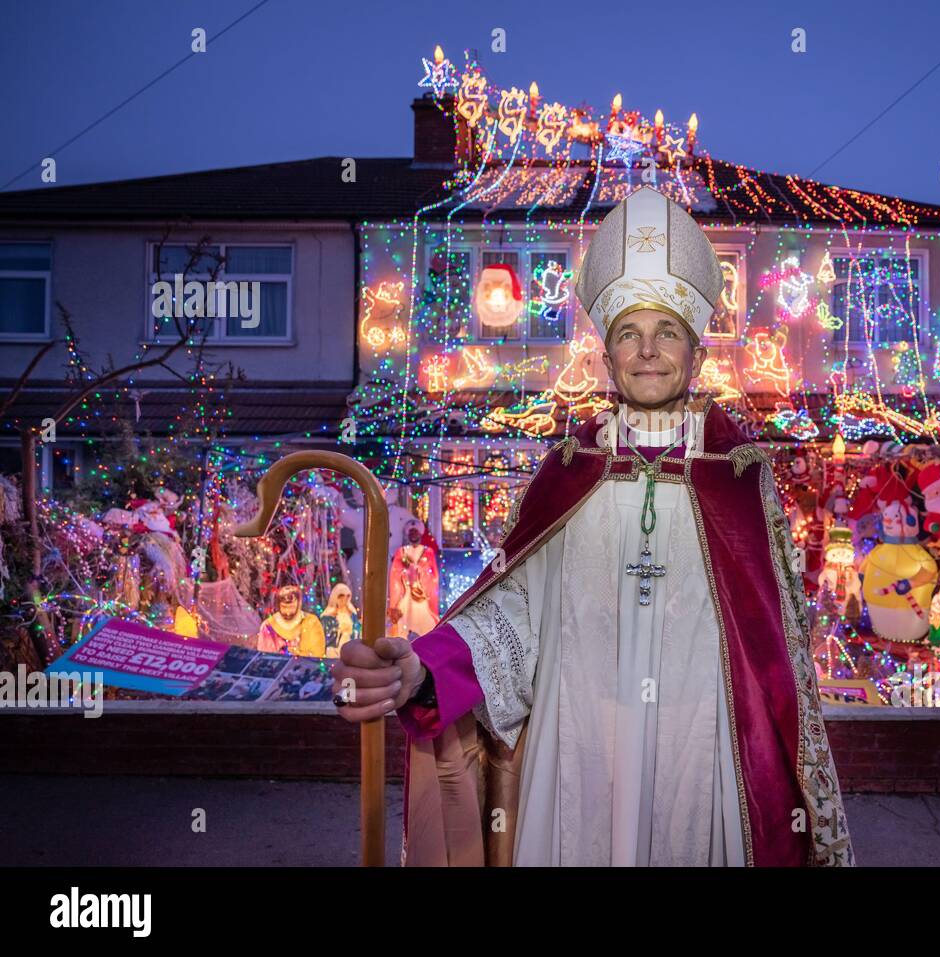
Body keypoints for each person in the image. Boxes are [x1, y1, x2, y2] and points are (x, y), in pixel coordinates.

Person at [333, 185, 853, 867]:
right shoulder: (567, 473)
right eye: (628, 333)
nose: (647, 351)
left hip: (704, 760)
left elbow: (776, 659)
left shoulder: (740, 480)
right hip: (575, 757)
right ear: (606, 354)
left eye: (667, 330)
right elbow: (511, 623)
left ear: (696, 350)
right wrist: (422, 671)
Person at [257, 585, 325, 657]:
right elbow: (264, 658)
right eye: (284, 607)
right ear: (278, 605)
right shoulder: (268, 626)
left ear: (299, 604)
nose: (288, 612)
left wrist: (299, 654)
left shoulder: (311, 622)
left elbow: (318, 656)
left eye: (291, 607)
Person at [320, 583, 360, 658]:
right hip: (333, 649)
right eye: (341, 596)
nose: (344, 599)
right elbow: (325, 634)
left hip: (350, 646)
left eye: (347, 596)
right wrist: (339, 630)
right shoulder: (328, 616)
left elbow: (357, 629)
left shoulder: (352, 613)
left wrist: (351, 632)